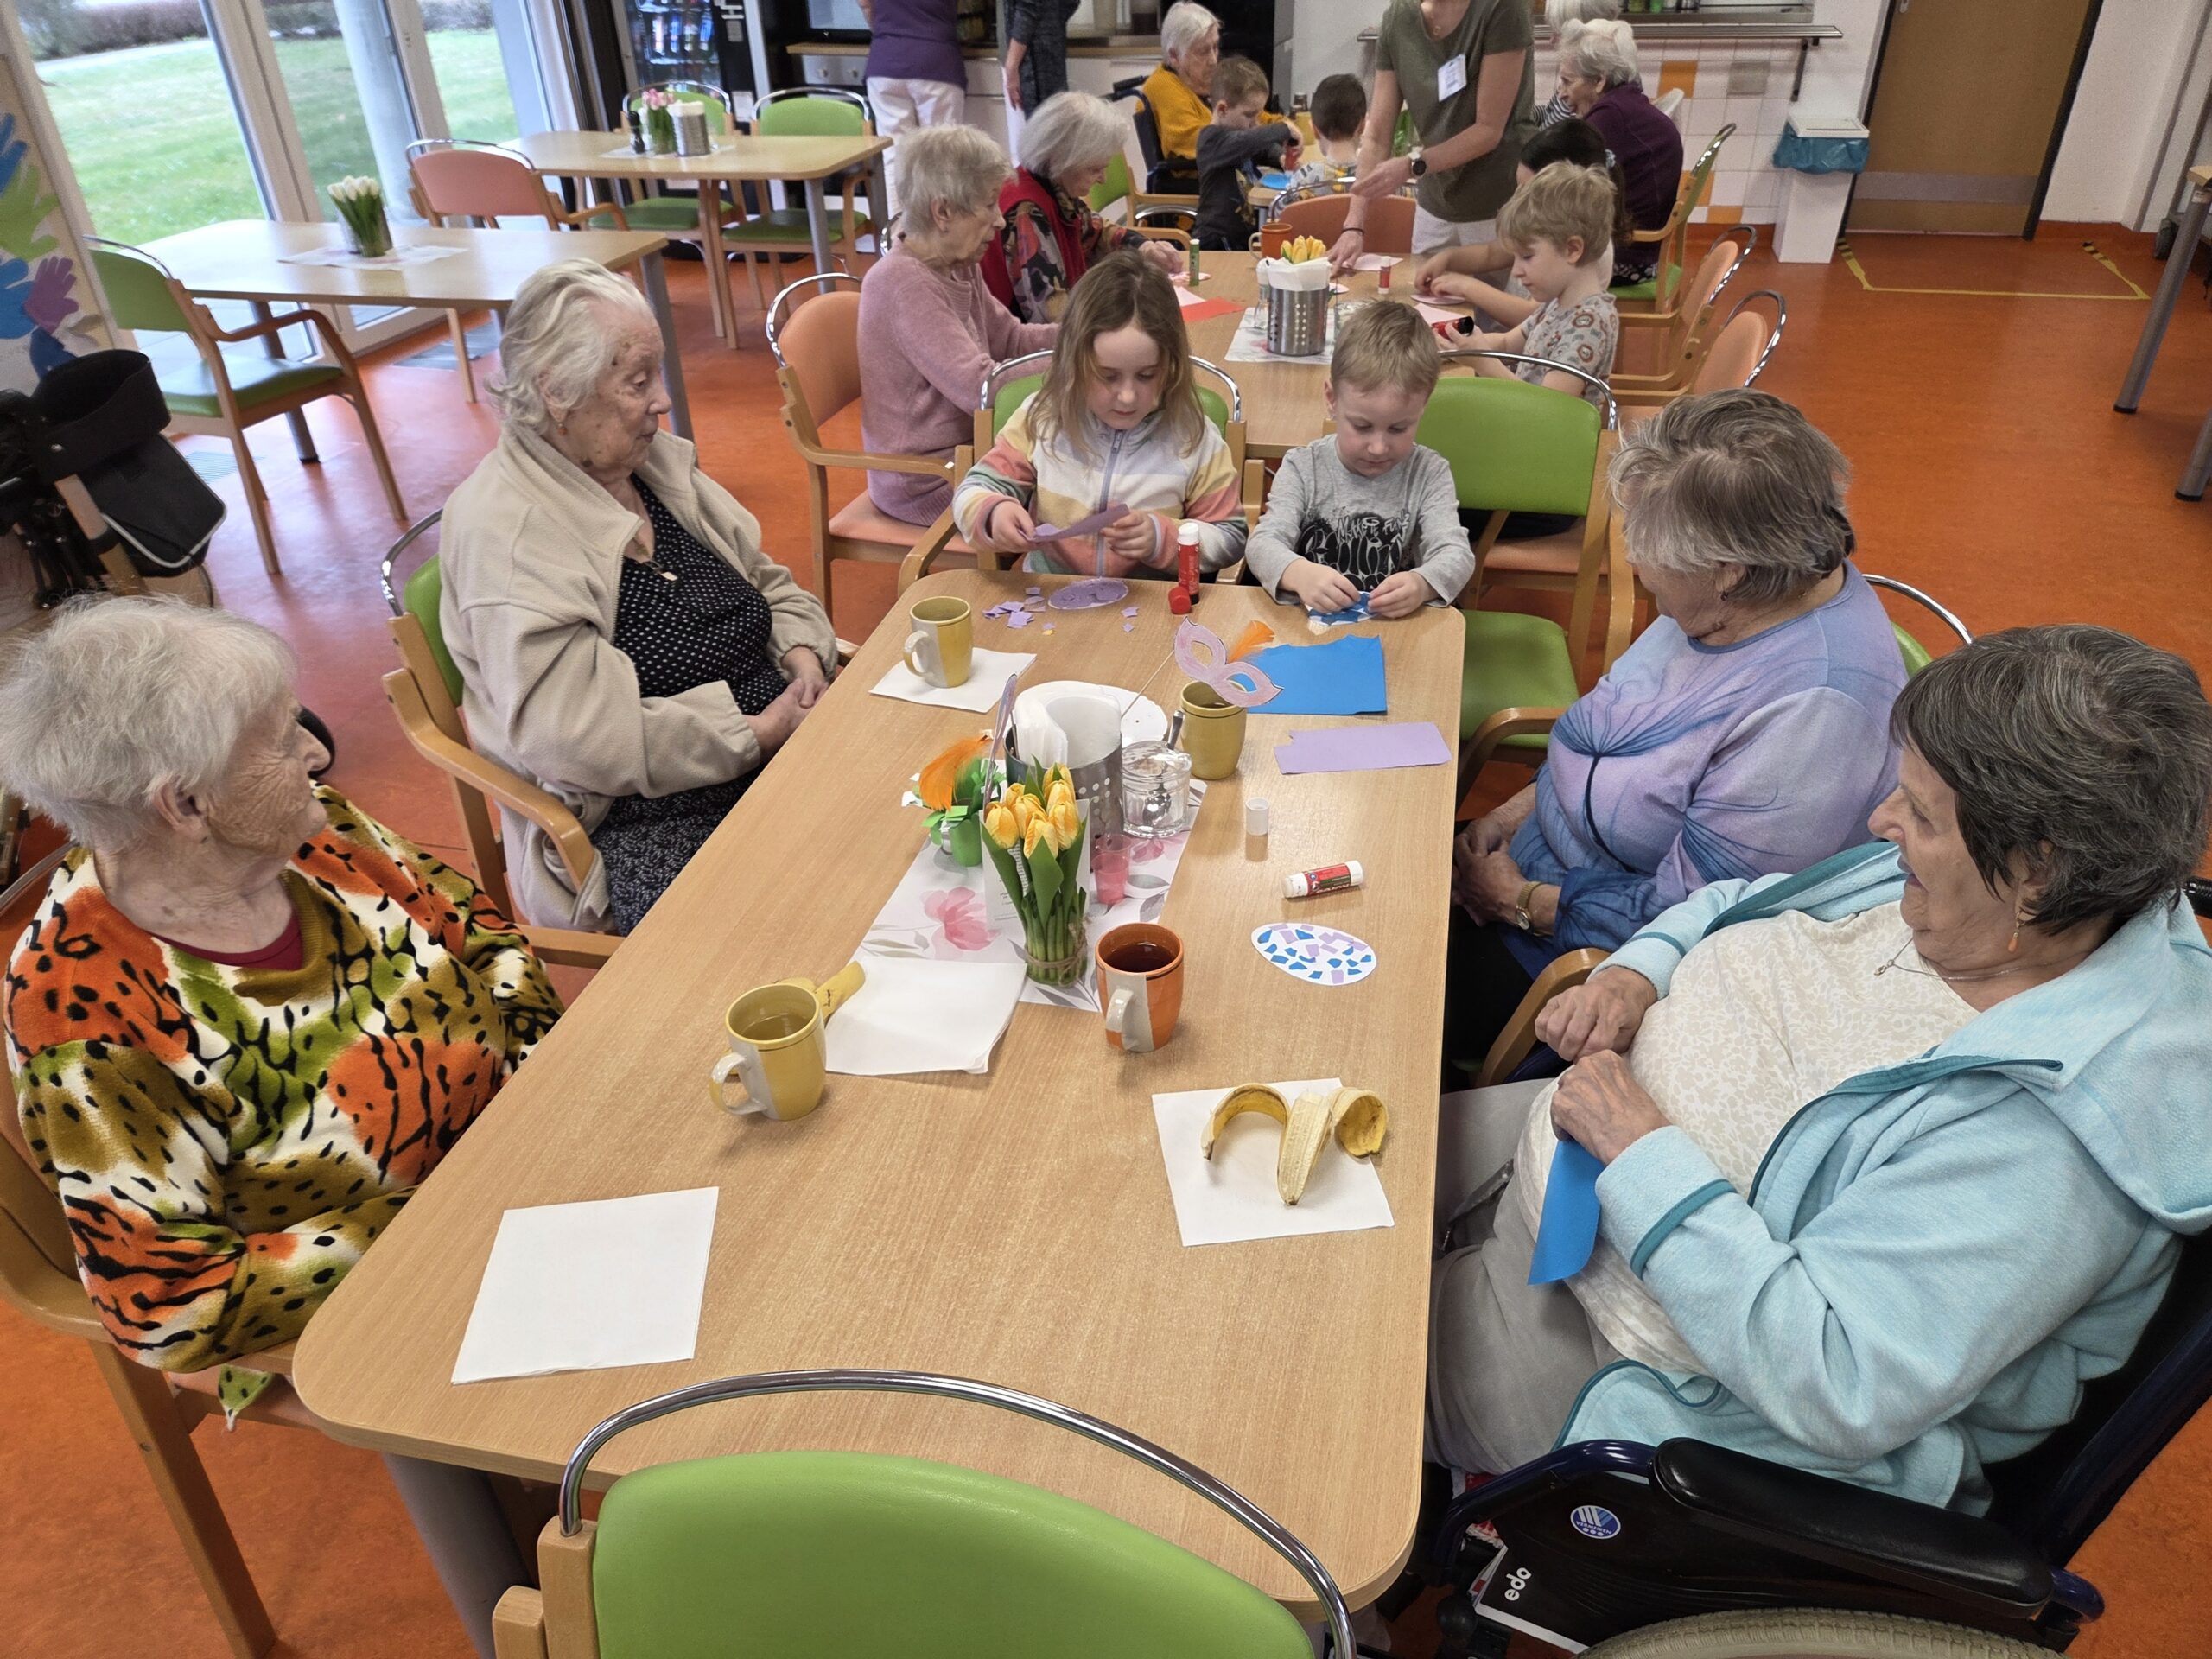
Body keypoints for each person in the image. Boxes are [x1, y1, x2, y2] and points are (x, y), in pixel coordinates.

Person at [1430, 624, 2212, 1512]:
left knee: (1332, 1352)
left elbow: (1837, 1375)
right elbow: (1736, 903)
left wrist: (1639, 1151)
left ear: (2039, 874)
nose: (1881, 822)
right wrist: (1636, 972)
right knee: (1343, 1167)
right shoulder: (1974, 899)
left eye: (1920, 815)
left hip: (1627, 1351)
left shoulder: (2051, 1144)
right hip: (1567, 1139)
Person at [0, 598, 564, 1653]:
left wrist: (537, 1108)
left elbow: (485, 942)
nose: (315, 751)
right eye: (277, 739)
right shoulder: (85, 1011)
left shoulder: (313, 829)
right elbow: (166, 1305)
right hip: (378, 1286)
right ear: (185, 805)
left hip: (528, 1176)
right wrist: (447, 1220)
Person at [1445, 390, 1907, 1072]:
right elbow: (1611, 739)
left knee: (1378, 1002)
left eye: (1646, 546)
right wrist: (1510, 817)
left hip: (1580, 957)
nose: (1634, 561)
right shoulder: (1731, 601)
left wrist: (1512, 900)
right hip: (1529, 861)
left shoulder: (1815, 714)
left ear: (1730, 570)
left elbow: (1697, 918)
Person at [442, 259, 840, 936]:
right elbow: (578, 740)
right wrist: (756, 733)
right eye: (637, 381)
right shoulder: (509, 536)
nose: (662, 401)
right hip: (648, 816)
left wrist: (802, 655)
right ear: (557, 392)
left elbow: (765, 580)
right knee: (805, 922)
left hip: (780, 744)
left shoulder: (646, 464)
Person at [953, 252, 1247, 578]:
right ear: (1073, 364)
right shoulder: (1042, 418)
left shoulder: (1193, 436)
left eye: (1147, 375)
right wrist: (994, 512)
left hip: (1153, 604)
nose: (1127, 396)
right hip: (1050, 593)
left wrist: (1164, 538)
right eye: (1107, 376)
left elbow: (1230, 538)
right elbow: (972, 490)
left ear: (1170, 366)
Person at [860, 124, 1058, 525]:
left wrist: (1085, 334)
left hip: (978, 452)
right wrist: (1084, 358)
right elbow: (982, 389)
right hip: (931, 480)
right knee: (1080, 496)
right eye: (988, 205)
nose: (1000, 221)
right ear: (943, 212)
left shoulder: (957, 263)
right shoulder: (903, 283)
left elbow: (1011, 338)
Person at [1243, 301, 1473, 615]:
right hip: (1310, 628)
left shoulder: (1428, 473)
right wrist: (1298, 573)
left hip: (1396, 628)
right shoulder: (1303, 467)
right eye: (1362, 427)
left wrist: (1423, 584)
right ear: (1332, 399)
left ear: (1423, 406)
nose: (1378, 447)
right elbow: (1262, 543)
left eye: (1398, 428)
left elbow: (1456, 554)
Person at [1328, 0, 1538, 270]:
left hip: (1498, 206)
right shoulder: (1399, 18)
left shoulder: (1503, 8)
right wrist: (1354, 226)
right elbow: (1377, 136)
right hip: (1435, 205)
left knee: (1490, 297)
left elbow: (1488, 130)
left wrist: (1412, 165)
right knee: (1425, 293)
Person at [982, 91, 1185, 325]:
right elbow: (1053, 316)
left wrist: (1146, 248)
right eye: (1094, 169)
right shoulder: (1027, 209)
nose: (1103, 179)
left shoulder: (1053, 188)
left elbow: (1095, 231)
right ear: (1062, 160)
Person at [1413, 116, 1643, 308]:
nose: (1518, 199)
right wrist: (1448, 258)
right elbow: (1492, 253)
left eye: (1528, 191)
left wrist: (1467, 287)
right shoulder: (1546, 225)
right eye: (1518, 188)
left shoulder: (1586, 247)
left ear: (1569, 188)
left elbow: (1533, 316)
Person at [1451, 161, 1620, 405]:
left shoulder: (1590, 323)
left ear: (1573, 249)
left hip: (1540, 427)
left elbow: (1545, 406)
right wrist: (1457, 346)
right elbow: (1507, 343)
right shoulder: (1558, 303)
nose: (1516, 271)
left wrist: (1484, 364)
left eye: (1527, 256)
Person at [1554, 18, 1681, 267]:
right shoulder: (1629, 105)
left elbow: (1567, 190)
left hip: (1625, 257)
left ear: (1599, 81)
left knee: (1528, 254)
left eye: (1568, 81)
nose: (1561, 93)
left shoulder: (1611, 117)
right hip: (1643, 251)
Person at [1141, 1, 1285, 170]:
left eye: (1215, 47)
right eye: (1203, 51)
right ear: (1174, 56)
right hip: (1200, 182)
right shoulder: (1163, 88)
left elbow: (1251, 114)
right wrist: (1270, 138)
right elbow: (1208, 146)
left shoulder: (1204, 81)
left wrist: (1284, 126)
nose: (1213, 60)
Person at [858, 0, 965, 219]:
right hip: (936, 61)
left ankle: (900, 232)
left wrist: (887, 31)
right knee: (942, 156)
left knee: (895, 158)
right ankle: (943, 229)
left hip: (886, 60)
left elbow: (865, 4)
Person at [1194, 56, 1299, 251]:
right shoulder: (1211, 140)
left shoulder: (1239, 137)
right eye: (1249, 115)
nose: (1255, 123)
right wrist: (1284, 128)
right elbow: (1249, 141)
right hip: (1217, 241)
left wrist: (1281, 157)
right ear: (1223, 109)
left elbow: (1263, 149)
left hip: (1243, 237)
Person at [1538, 0, 1627, 125]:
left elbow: (1558, 134)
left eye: (1559, 34)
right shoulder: (1574, 75)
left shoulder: (1586, 97)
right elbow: (1549, 112)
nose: (1551, 40)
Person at [1286, 73, 1367, 193]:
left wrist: (1299, 174)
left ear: (1314, 130)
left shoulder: (1304, 179)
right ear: (1363, 126)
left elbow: (1280, 204)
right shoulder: (1378, 180)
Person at [1003, 0, 1081, 121]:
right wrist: (1052, 23)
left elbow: (1028, 7)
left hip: (1030, 61)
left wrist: (1012, 64)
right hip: (1049, 53)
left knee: (1041, 126)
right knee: (1055, 122)